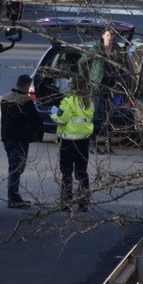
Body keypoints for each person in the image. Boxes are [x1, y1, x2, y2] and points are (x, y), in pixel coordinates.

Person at [50, 76, 95, 212]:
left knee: (67, 173)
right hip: (83, 141)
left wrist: (52, 113)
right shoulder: (89, 102)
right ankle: (84, 201)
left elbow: (61, 118)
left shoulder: (68, 101)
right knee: (82, 172)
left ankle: (66, 202)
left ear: (72, 86)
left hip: (68, 141)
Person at [78, 26, 124, 154]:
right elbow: (81, 62)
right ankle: (92, 145)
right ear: (103, 36)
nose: (110, 38)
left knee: (108, 117)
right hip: (97, 86)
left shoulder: (116, 50)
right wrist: (87, 79)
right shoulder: (96, 49)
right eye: (108, 35)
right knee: (95, 116)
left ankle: (108, 146)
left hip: (111, 87)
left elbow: (121, 67)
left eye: (112, 36)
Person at [0, 74, 41, 209]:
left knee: (14, 167)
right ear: (26, 85)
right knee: (16, 168)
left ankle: (15, 195)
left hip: (7, 138)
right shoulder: (25, 101)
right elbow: (35, 120)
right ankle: (13, 198)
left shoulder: (5, 98)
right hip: (20, 139)